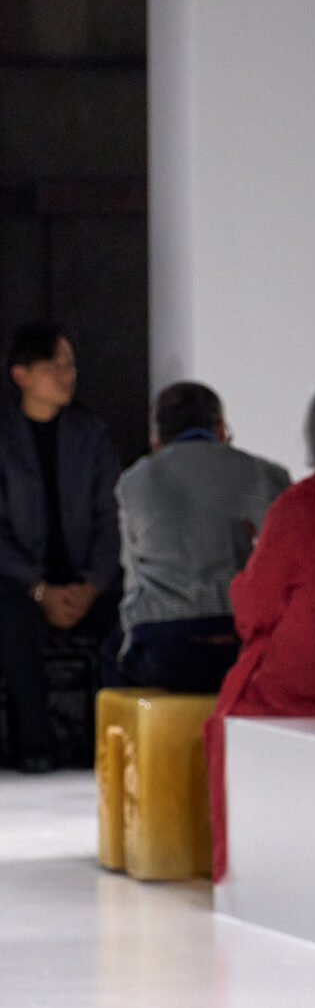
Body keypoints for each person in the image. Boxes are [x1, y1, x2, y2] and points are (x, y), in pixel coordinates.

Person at [203, 371, 315, 882]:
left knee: (232, 701)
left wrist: (242, 578)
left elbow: (253, 610)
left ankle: (233, 870)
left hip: (310, 685)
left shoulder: (300, 506)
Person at [112, 382, 289, 692]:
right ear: (220, 427)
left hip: (160, 649)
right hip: (238, 644)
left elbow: (133, 574)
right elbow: (285, 565)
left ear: (157, 438)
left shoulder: (132, 482)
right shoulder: (263, 474)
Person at [0, 325, 120, 771]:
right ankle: (36, 745)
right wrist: (39, 589)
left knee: (128, 618)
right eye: (54, 365)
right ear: (22, 375)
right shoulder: (4, 439)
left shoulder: (92, 436)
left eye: (70, 365)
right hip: (21, 584)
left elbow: (112, 519)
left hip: (88, 580)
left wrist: (91, 585)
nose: (67, 375)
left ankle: (107, 745)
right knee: (12, 619)